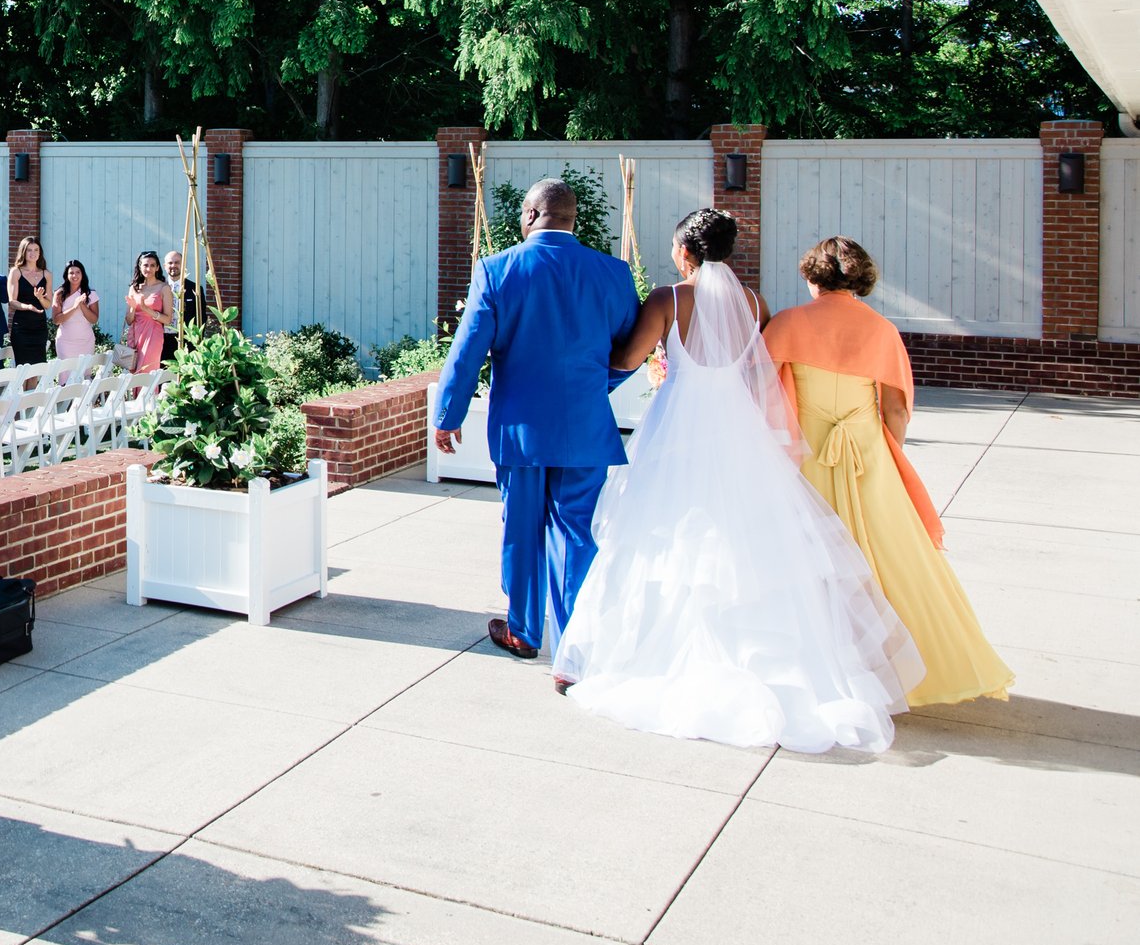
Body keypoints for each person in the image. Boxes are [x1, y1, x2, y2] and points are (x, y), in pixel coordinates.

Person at [556, 211, 923, 753]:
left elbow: (628, 357)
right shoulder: (755, 305)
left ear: (685, 251)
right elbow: (759, 373)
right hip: (737, 428)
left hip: (680, 426)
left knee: (663, 534)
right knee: (744, 538)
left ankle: (637, 654)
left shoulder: (668, 300)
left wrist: (634, 356)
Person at [765, 236, 1014, 707]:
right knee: (895, 559)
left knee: (808, 559)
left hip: (806, 453)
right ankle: (910, 668)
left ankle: (818, 670)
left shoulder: (787, 323)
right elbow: (896, 409)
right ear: (859, 278)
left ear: (811, 276)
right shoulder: (881, 330)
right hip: (867, 452)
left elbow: (760, 390)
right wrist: (883, 451)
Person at [430, 180, 643, 661]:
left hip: (520, 429)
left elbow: (467, 352)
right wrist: (594, 390)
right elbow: (631, 352)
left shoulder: (497, 269)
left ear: (529, 215)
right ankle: (573, 646)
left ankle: (526, 631)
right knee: (575, 534)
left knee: (522, 528)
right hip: (587, 429)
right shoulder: (613, 273)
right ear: (573, 219)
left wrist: (448, 415)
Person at [122, 251, 170, 372]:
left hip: (153, 334)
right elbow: (128, 320)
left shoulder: (164, 288)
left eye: (152, 265)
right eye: (145, 265)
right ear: (139, 266)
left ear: (158, 267)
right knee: (134, 371)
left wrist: (146, 309)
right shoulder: (134, 288)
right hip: (135, 334)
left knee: (148, 370)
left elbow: (168, 319)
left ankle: (149, 392)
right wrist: (133, 307)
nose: (148, 268)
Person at [8, 238, 52, 365]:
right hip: (21, 327)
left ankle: (33, 387)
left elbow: (48, 304)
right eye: (29, 250)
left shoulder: (46, 274)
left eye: (36, 250)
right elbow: (12, 302)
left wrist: (40, 298)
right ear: (23, 252)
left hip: (39, 327)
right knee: (22, 368)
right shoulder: (16, 272)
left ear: (40, 252)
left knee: (36, 368)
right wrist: (28, 307)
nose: (33, 253)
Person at [53, 261, 99, 359]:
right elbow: (56, 320)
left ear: (82, 274)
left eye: (78, 272)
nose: (75, 275)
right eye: (71, 273)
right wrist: (74, 307)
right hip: (65, 342)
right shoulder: (59, 294)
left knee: (84, 373)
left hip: (86, 341)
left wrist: (82, 305)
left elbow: (94, 320)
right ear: (66, 275)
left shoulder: (91, 294)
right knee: (66, 372)